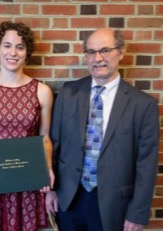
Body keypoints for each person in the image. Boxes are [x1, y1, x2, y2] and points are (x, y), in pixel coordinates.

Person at [46, 28, 159, 231]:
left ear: (121, 53)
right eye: (91, 52)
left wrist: (137, 213)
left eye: (105, 50)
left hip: (114, 204)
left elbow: (146, 165)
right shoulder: (68, 93)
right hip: (69, 199)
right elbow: (54, 145)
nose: (97, 58)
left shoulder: (143, 105)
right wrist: (51, 191)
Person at [0, 21, 54, 231]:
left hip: (27, 182)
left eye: (20, 47)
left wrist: (48, 169)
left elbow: (45, 138)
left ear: (27, 52)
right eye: (7, 45)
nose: (13, 52)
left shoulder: (42, 91)